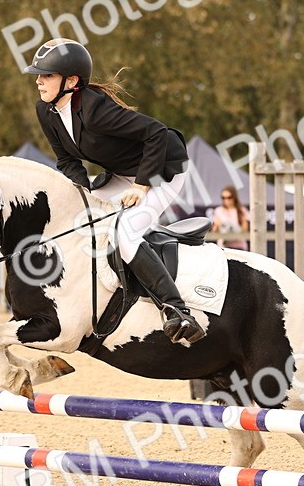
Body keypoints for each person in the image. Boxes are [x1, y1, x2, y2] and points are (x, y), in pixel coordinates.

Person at [26, 39, 205, 344]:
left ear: (71, 81)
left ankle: (177, 311)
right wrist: (78, 196)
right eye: (39, 75)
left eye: (48, 75)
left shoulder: (95, 109)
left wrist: (141, 185)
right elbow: (67, 161)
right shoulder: (47, 111)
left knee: (125, 232)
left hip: (162, 170)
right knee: (81, 221)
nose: (39, 81)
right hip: (121, 173)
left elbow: (157, 135)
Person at [212, 185, 249, 250]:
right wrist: (217, 226)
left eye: (229, 197)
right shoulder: (218, 210)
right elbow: (215, 231)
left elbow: (245, 230)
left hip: (239, 246)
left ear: (234, 197)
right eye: (223, 197)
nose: (226, 200)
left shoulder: (241, 210)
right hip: (223, 247)